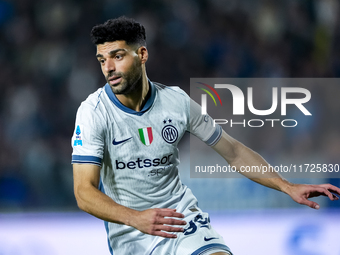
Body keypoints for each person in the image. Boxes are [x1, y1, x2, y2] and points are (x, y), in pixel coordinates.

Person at [71, 16, 340, 255]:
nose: (108, 67)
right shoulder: (93, 113)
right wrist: (135, 218)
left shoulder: (176, 101)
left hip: (183, 220)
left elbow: (233, 152)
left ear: (141, 54)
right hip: (132, 236)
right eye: (102, 60)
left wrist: (287, 186)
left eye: (117, 56)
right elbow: (84, 192)